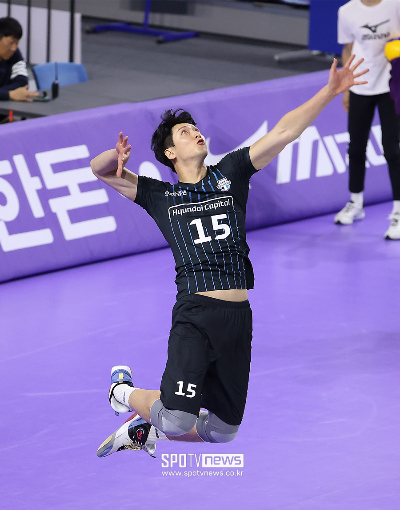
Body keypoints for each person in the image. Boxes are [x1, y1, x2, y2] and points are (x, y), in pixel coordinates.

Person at [91, 55, 367, 459]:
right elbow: (100, 170)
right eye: (185, 132)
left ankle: (142, 432)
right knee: (176, 419)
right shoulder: (160, 195)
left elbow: (284, 132)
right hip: (196, 313)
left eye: (196, 128)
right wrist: (113, 158)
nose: (196, 133)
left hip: (238, 317)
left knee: (222, 432)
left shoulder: (231, 173)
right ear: (170, 153)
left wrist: (329, 91)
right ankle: (122, 392)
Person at [335, 0, 400, 240]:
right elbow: (347, 49)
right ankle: (356, 202)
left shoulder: (396, 5)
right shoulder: (347, 11)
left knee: (393, 149)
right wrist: (346, 87)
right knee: (356, 147)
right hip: (360, 86)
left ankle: (398, 211)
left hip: (390, 86)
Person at [0, 17, 38, 102]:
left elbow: (22, 82)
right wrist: (9, 94)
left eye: (17, 43)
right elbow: (14, 92)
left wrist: (4, 93)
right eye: (11, 43)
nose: (14, 48)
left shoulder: (14, 53)